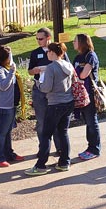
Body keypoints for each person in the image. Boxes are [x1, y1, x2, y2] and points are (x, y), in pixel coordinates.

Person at [27, 42, 74, 175]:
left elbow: (46, 88)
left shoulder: (51, 68)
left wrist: (38, 84)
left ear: (52, 53)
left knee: (46, 134)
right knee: (63, 132)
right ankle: (64, 162)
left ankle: (41, 165)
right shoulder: (68, 65)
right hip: (68, 102)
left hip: (55, 104)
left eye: (48, 51)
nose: (47, 53)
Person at [28, 28, 66, 157]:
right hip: (39, 90)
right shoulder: (35, 53)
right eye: (37, 39)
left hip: (54, 91)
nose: (38, 41)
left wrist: (49, 68)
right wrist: (36, 70)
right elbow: (30, 71)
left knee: (56, 121)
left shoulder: (58, 51)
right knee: (41, 121)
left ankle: (60, 148)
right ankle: (43, 149)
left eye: (41, 38)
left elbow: (66, 68)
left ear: (48, 37)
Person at [0, 45, 24, 167]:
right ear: (3, 57)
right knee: (1, 133)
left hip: (10, 105)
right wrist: (12, 71)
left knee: (7, 131)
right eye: (9, 56)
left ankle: (9, 154)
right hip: (2, 107)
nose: (10, 58)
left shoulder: (3, 68)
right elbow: (3, 86)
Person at [72, 33, 101, 161]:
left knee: (91, 121)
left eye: (75, 40)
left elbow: (84, 74)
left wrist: (76, 73)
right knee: (88, 122)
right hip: (80, 94)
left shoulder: (91, 56)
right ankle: (90, 148)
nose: (73, 42)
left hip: (89, 93)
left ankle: (95, 149)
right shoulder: (78, 57)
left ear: (82, 42)